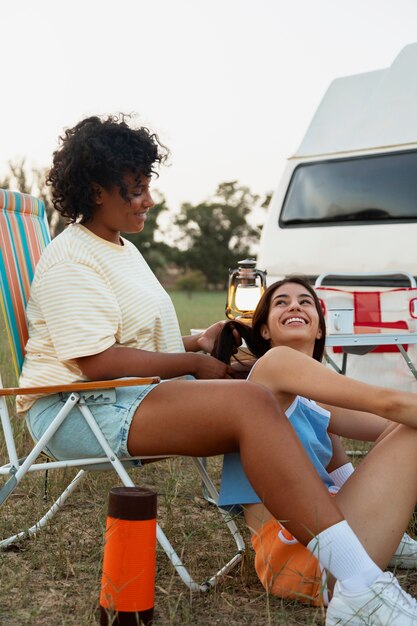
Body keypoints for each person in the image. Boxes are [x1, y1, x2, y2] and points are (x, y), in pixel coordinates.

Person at [16, 114, 417, 625]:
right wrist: (192, 363)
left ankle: (355, 570)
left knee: (258, 387)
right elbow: (95, 360)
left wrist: (200, 342)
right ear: (96, 190)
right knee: (252, 399)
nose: (148, 200)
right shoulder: (72, 258)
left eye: (147, 187)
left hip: (126, 393)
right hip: (76, 409)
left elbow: (133, 343)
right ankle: (358, 584)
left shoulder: (121, 249)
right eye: (135, 189)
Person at [213, 275, 417, 613]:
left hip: (328, 540)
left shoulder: (312, 399)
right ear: (264, 330)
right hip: (301, 558)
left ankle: (387, 538)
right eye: (282, 302)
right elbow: (389, 403)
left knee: (406, 427)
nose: (294, 305)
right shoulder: (273, 366)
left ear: (320, 329)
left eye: (305, 302)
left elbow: (393, 424)